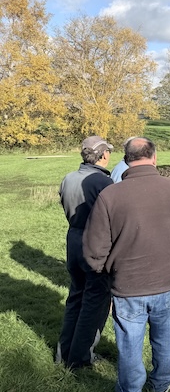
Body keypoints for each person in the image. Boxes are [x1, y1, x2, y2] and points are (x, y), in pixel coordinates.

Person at [83, 137, 170, 392]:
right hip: (168, 281)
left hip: (128, 285)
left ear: (126, 160)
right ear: (154, 157)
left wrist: (106, 271)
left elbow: (95, 249)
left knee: (130, 346)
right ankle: (161, 384)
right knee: (165, 338)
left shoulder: (110, 195)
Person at [57, 135, 114, 369]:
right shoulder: (104, 183)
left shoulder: (68, 178)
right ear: (103, 155)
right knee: (95, 302)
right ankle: (80, 358)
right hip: (95, 244)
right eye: (108, 151)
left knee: (75, 298)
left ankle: (63, 353)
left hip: (73, 240)